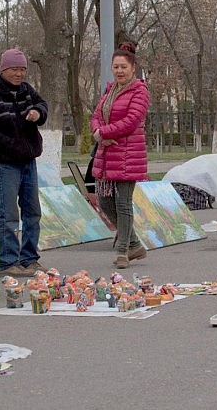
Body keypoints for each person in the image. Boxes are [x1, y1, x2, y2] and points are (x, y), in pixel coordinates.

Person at [0, 48, 48, 277]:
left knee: (32, 211)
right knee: (8, 213)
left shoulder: (27, 91)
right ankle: (7, 261)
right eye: (15, 69)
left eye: (23, 69)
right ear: (4, 69)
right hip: (6, 163)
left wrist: (37, 112)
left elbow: (43, 105)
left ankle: (29, 258)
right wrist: (6, 143)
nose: (19, 74)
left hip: (29, 161)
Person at [90, 41, 150, 269]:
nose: (119, 71)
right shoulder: (109, 90)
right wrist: (98, 132)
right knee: (105, 202)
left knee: (123, 204)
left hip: (127, 155)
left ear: (133, 68)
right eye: (116, 67)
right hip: (107, 154)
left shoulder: (140, 91)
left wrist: (103, 132)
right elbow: (97, 114)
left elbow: (131, 121)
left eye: (123, 67)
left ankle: (123, 251)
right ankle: (135, 243)